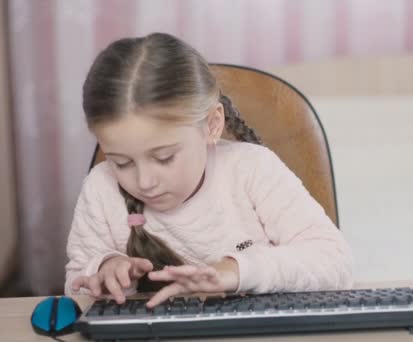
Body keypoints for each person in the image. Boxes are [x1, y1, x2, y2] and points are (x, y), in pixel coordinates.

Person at [64, 33, 353, 308]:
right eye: (122, 163)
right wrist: (105, 272)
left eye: (164, 157)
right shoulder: (101, 188)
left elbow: (335, 262)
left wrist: (237, 271)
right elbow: (76, 288)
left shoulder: (252, 169)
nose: (145, 182)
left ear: (212, 126)